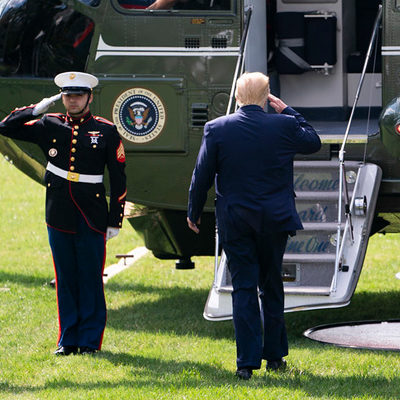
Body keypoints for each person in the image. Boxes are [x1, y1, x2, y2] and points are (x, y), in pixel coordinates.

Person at [187, 72, 321, 379]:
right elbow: (313, 141)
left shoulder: (217, 129)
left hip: (235, 220)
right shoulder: (285, 125)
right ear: (267, 97)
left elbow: (202, 175)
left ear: (236, 97)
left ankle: (246, 364)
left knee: (243, 287)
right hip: (274, 219)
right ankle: (275, 357)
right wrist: (288, 110)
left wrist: (193, 211)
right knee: (272, 285)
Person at [0, 71, 127, 356]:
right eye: (68, 96)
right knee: (66, 277)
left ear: (89, 97)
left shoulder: (105, 130)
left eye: (78, 95)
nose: (72, 101)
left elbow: (118, 178)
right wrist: (37, 109)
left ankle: (90, 341)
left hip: (91, 214)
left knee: (90, 277)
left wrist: (114, 219)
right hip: (58, 212)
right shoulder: (50, 124)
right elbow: (5, 127)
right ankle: (68, 339)